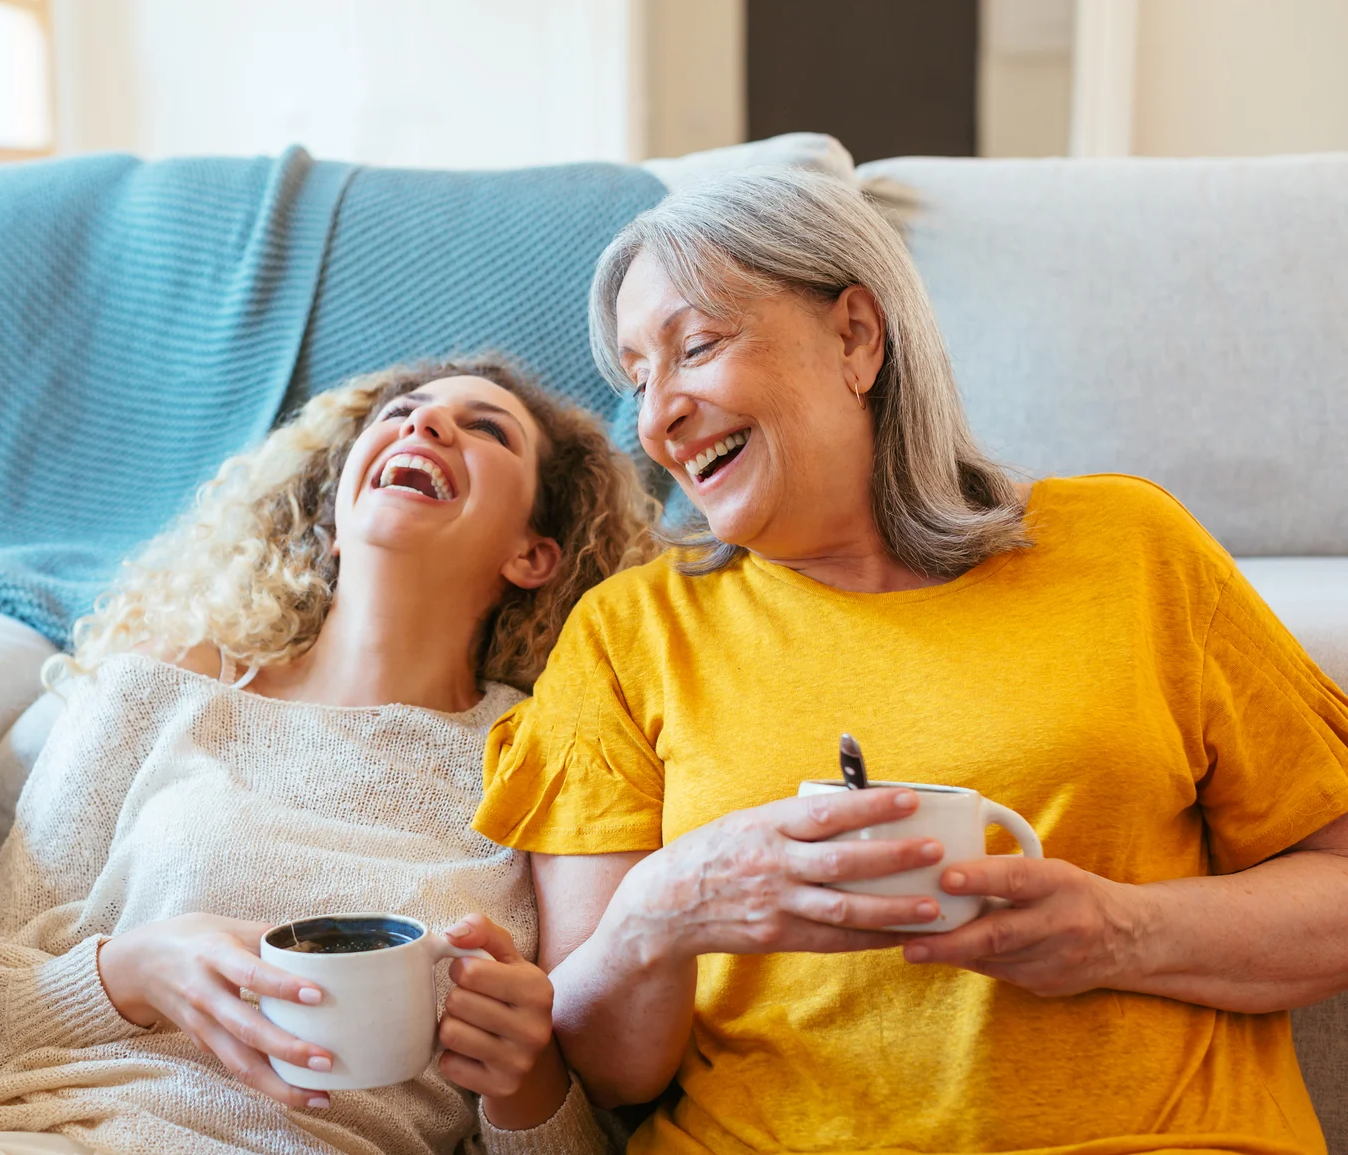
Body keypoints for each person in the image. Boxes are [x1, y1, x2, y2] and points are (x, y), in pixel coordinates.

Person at [473, 170, 1348, 1155]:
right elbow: (605, 1067)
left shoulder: (1127, 547)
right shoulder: (629, 634)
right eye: (637, 379)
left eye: (699, 346)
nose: (656, 419)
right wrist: (660, 912)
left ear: (855, 337)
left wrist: (1114, 933)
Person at [0, 358, 657, 1155]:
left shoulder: (548, 749)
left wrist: (525, 1087)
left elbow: (572, 1133)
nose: (423, 420)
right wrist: (130, 972)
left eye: (485, 431)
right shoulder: (162, 693)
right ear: (332, 513)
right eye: (399, 414)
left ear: (534, 555)